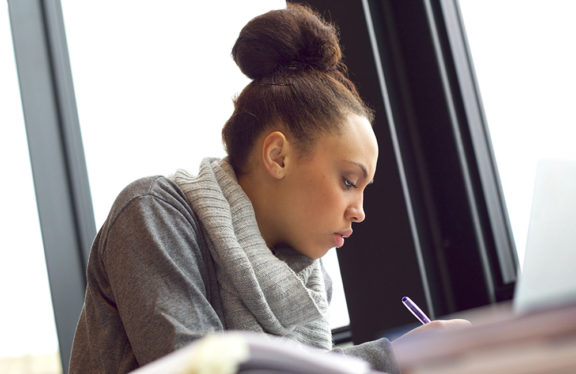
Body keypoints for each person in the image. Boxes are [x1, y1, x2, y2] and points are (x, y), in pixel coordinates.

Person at [69, 4, 468, 373]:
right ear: (277, 156)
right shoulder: (152, 213)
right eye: (348, 181)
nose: (359, 210)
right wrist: (395, 356)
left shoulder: (306, 281)